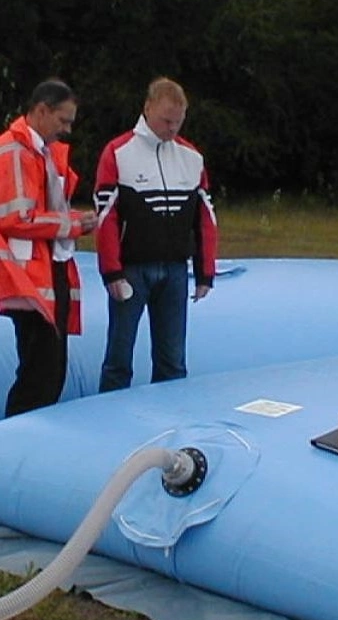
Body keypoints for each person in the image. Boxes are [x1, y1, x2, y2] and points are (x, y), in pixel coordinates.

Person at [94, 77, 217, 392]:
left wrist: (205, 273)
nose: (172, 129)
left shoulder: (191, 157)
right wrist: (112, 273)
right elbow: (105, 217)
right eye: (166, 121)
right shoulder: (118, 152)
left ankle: (170, 425)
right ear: (147, 109)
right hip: (132, 270)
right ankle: (108, 420)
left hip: (175, 269)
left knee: (173, 360)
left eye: (178, 122)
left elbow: (205, 219)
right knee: (119, 357)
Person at [0, 80, 98, 418]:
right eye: (63, 120)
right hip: (27, 279)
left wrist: (72, 221)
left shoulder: (40, 153)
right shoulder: (14, 151)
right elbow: (17, 217)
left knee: (51, 370)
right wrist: (70, 224)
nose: (67, 130)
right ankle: (16, 443)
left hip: (45, 271)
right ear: (41, 110)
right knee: (39, 372)